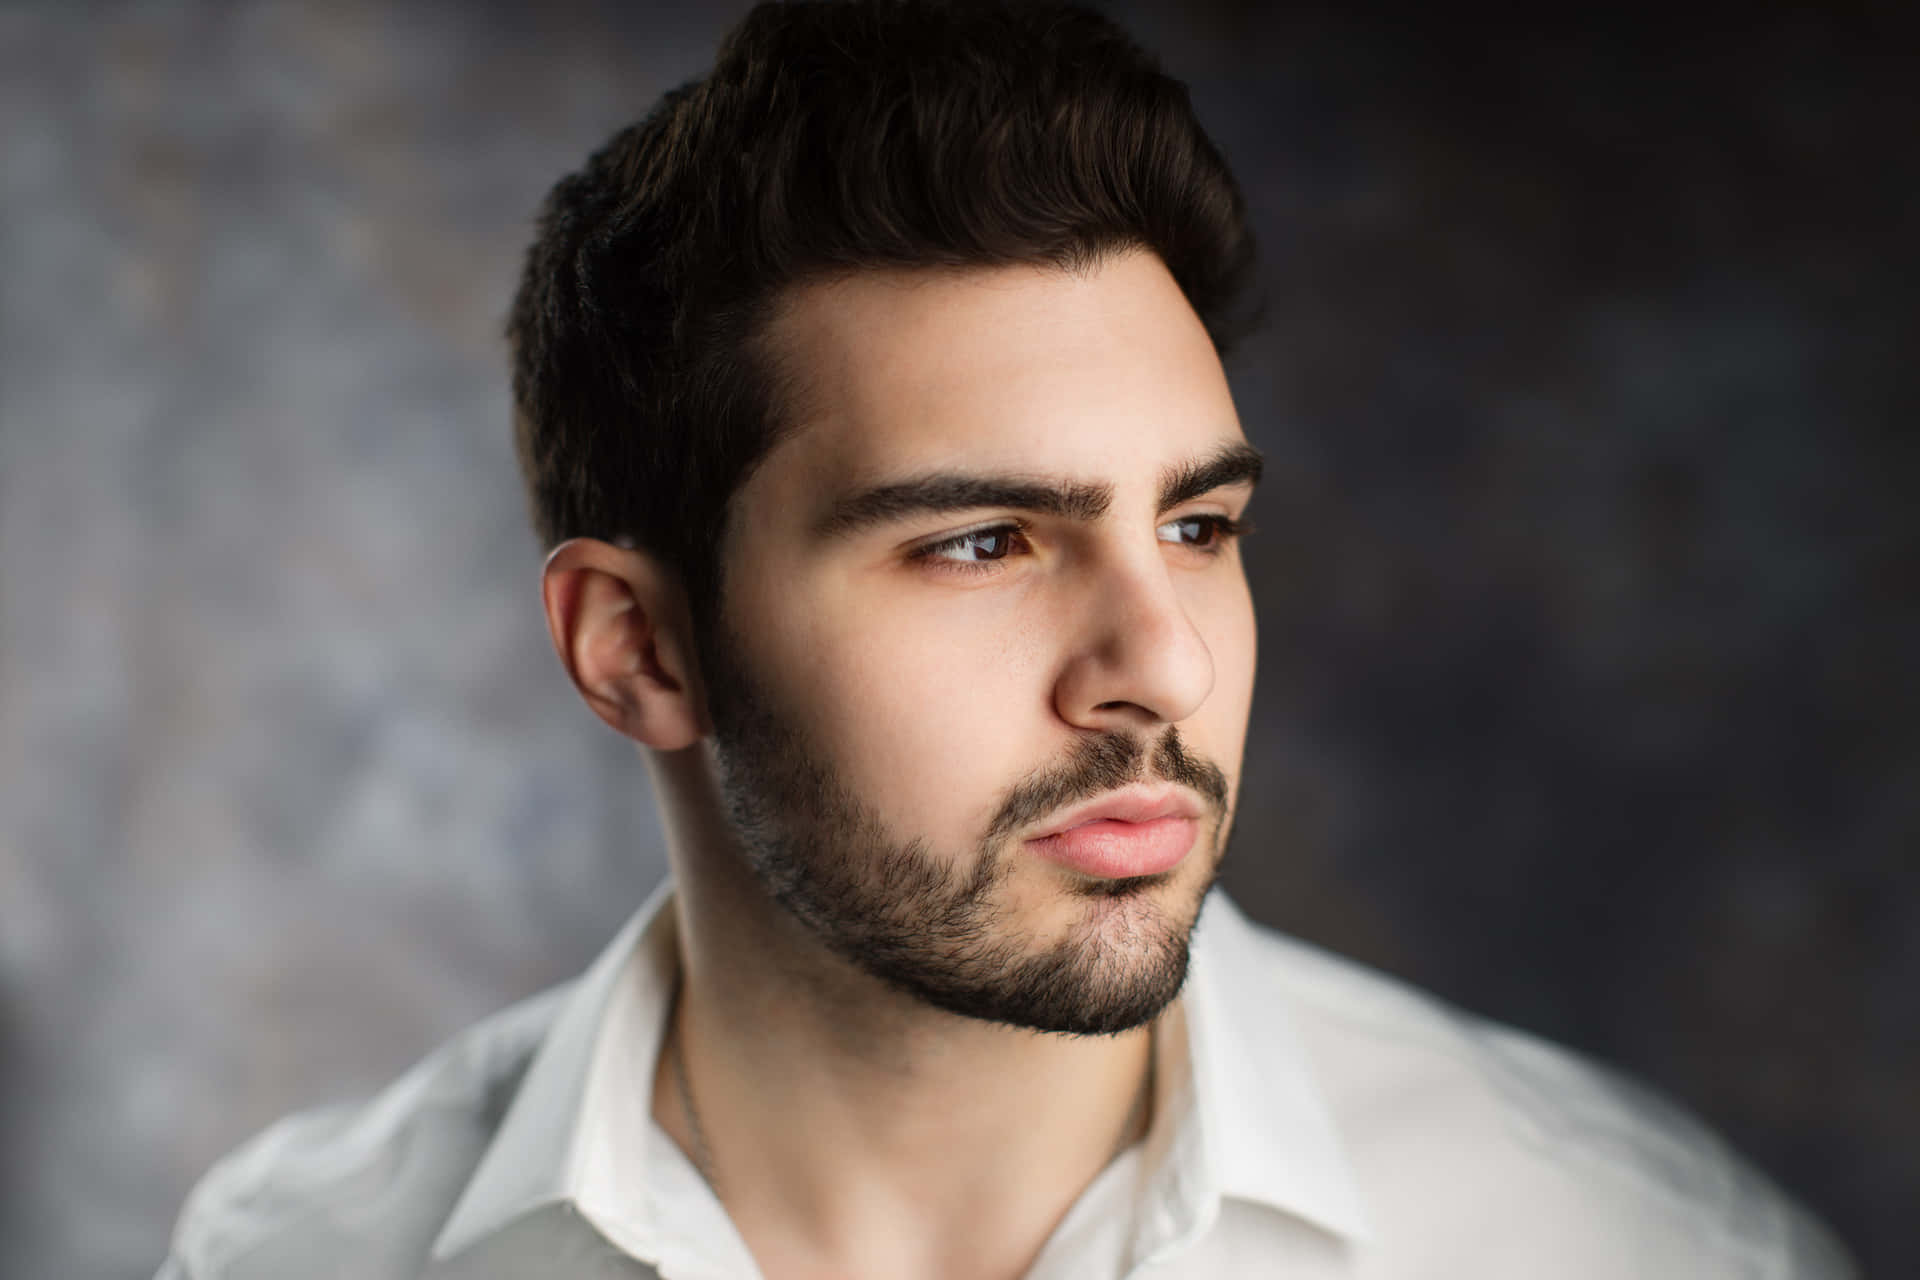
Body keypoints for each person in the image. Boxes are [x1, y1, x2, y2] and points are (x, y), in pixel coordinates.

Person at [158, 2, 1854, 1277]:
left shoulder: (1619, 1244)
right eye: (983, 541)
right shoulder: (296, 1256)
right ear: (637, 649)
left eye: (1199, 528)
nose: (1164, 665)